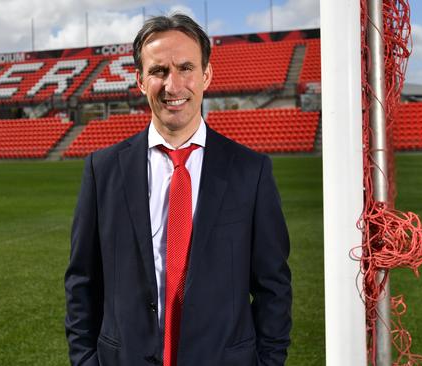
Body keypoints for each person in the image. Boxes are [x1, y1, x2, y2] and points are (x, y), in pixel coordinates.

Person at [65, 13, 291, 366]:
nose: (173, 85)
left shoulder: (251, 171)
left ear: (207, 75)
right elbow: (82, 282)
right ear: (140, 80)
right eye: (159, 71)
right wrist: (85, 361)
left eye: (186, 67)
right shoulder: (103, 170)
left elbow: (273, 287)